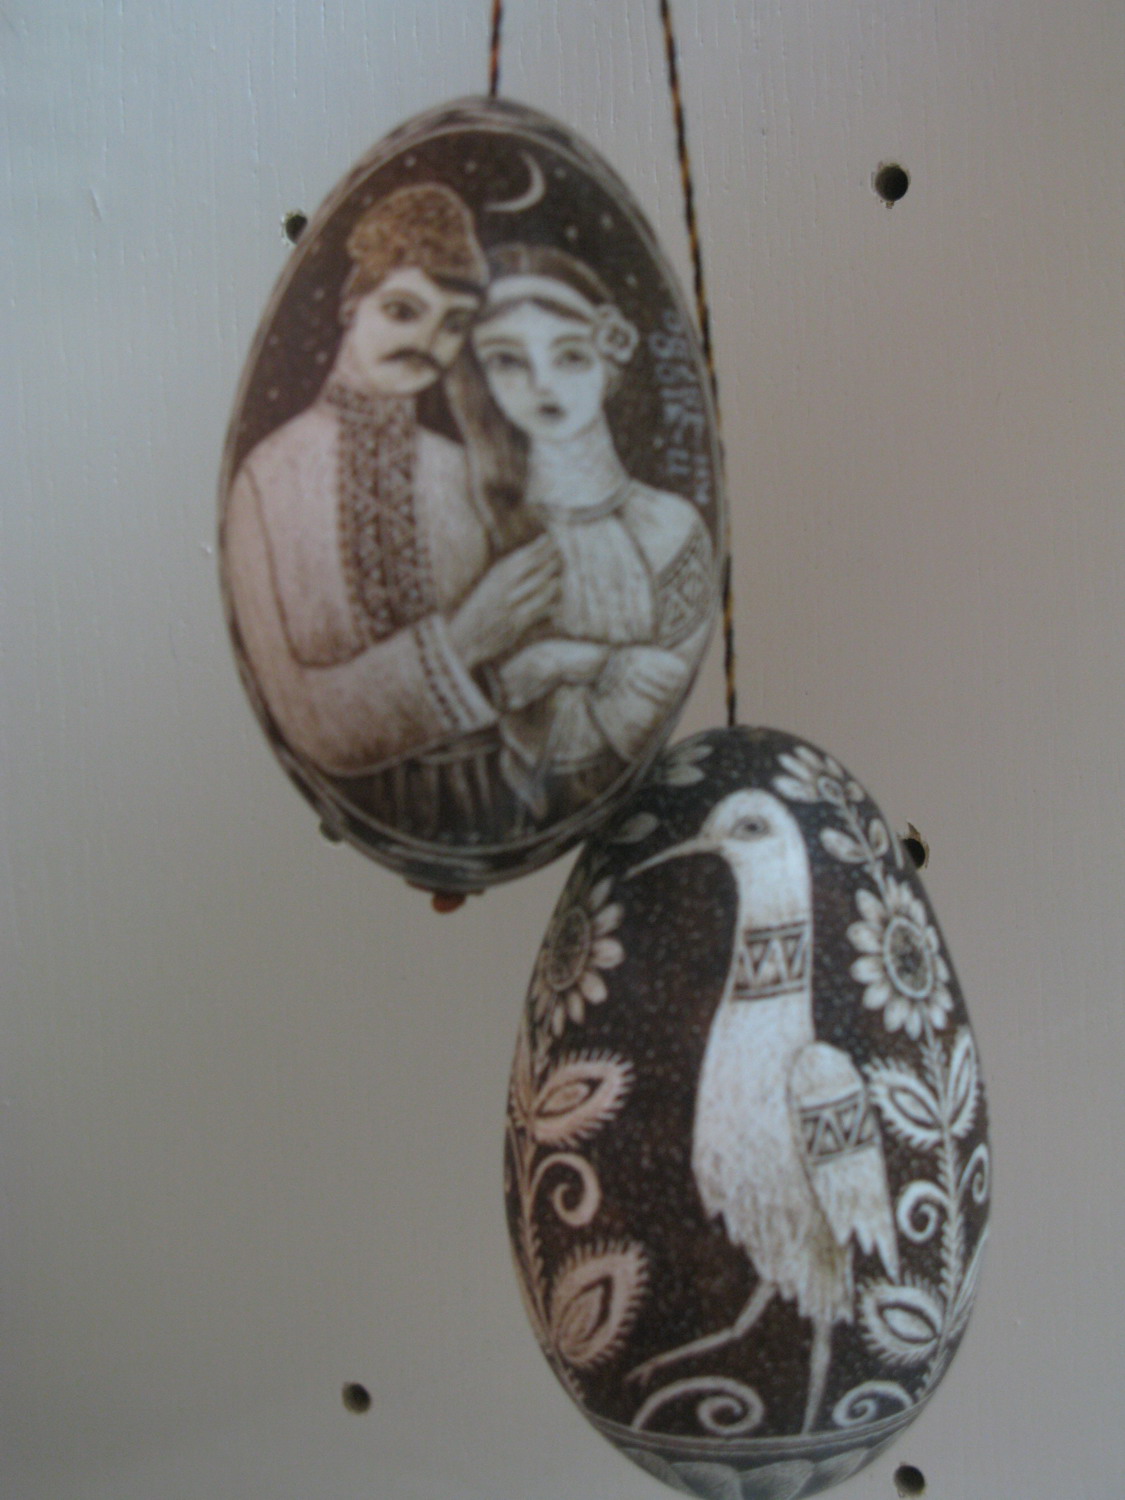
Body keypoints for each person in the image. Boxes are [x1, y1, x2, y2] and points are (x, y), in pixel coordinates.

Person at [222, 186, 560, 848]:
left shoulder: (463, 472)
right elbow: (304, 718)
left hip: (485, 808)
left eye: (453, 324)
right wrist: (464, 638)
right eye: (404, 311)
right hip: (360, 814)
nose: (427, 342)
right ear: (353, 302)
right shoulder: (266, 478)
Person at [460, 244, 715, 822]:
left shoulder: (670, 529)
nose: (542, 384)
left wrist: (567, 661)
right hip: (511, 811)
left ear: (609, 361)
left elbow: (670, 697)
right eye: (508, 361)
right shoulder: (480, 531)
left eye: (570, 356)